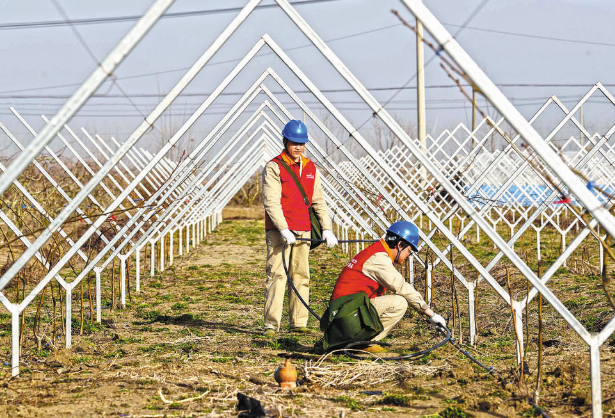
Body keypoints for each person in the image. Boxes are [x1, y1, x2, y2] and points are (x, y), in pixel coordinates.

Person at [262, 119, 338, 338]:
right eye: (294, 142)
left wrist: (327, 228)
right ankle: (271, 324)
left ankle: (299, 322)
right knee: (277, 276)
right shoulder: (275, 166)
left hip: (303, 229)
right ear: (285, 141)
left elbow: (318, 201)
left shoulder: (310, 167)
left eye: (302, 143)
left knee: (301, 276)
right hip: (279, 232)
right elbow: (271, 202)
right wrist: (283, 228)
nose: (298, 147)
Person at [321, 220, 446, 352]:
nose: (409, 256)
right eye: (409, 251)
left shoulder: (376, 251)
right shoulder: (378, 258)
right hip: (345, 317)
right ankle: (364, 344)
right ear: (400, 245)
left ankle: (359, 341)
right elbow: (401, 286)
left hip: (345, 312)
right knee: (399, 303)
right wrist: (431, 314)